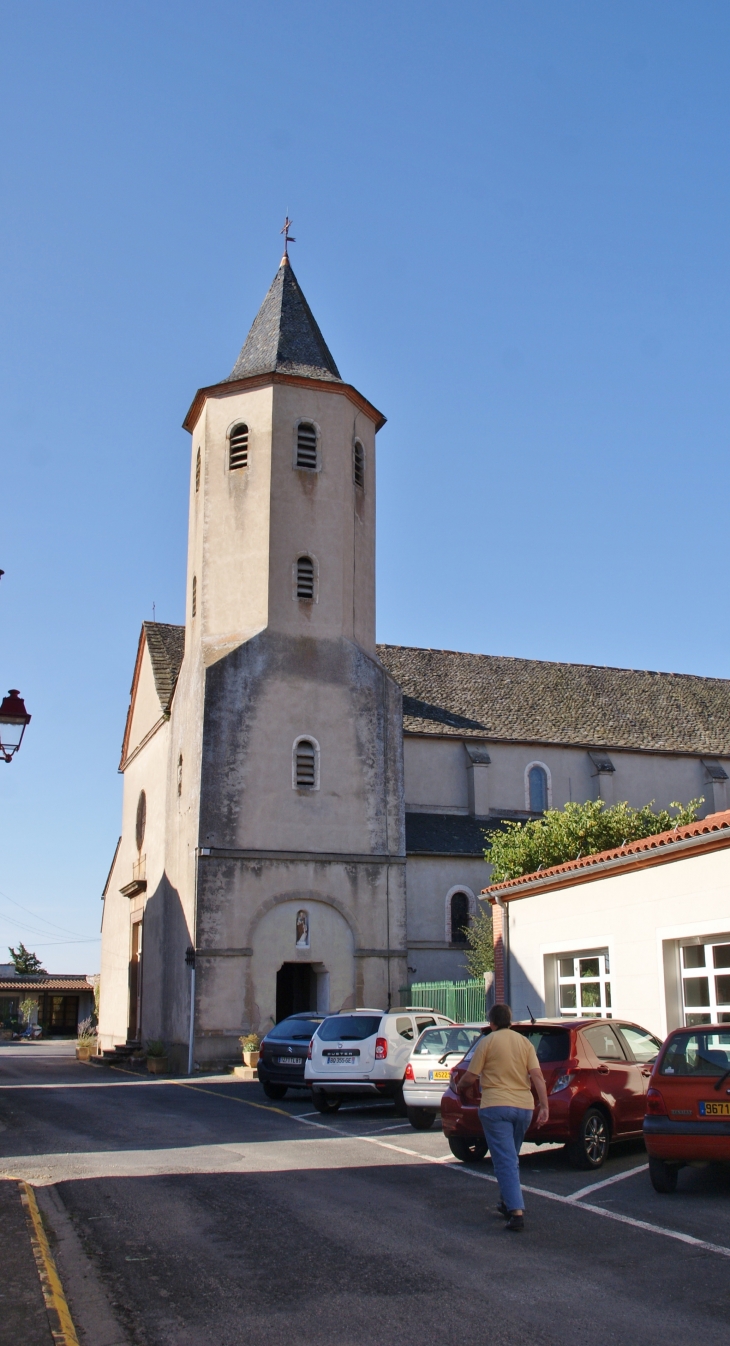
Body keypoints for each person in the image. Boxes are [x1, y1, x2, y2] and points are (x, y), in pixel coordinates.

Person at [457, 1002, 548, 1232]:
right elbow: (537, 1076)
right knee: (510, 1157)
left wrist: (459, 1087)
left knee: (505, 1160)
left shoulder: (487, 1042)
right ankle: (506, 1202)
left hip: (496, 1107)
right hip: (524, 1108)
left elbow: (471, 1076)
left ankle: (516, 1212)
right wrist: (544, 1106)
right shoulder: (525, 1043)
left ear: (492, 1022)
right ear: (510, 1020)